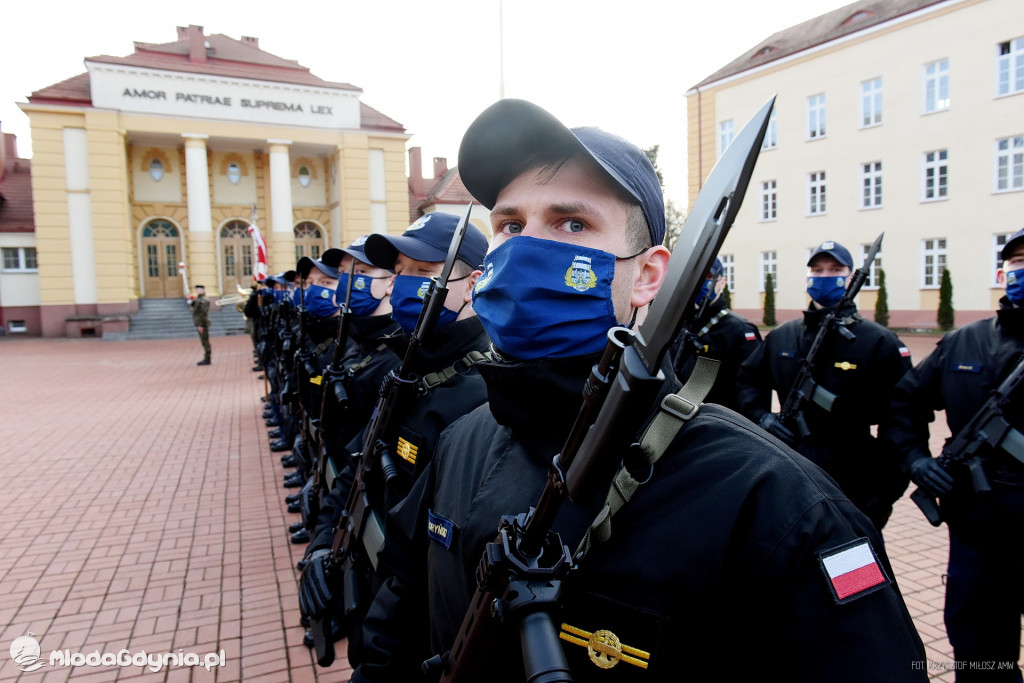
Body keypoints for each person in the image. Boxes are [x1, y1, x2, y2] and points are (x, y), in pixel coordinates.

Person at [351, 99, 926, 682]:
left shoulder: (775, 504)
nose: (526, 249)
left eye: (572, 224)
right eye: (511, 226)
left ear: (648, 275)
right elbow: (399, 610)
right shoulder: (460, 443)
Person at [299, 213, 492, 666]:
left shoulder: (483, 398)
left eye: (423, 271)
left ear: (473, 284)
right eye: (400, 271)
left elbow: (434, 569)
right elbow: (360, 462)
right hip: (370, 587)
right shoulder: (408, 367)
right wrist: (324, 542)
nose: (403, 284)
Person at [886, 227, 1024, 681]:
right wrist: (916, 461)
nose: (1022, 269)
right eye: (1017, 261)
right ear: (1002, 272)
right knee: (980, 652)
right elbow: (904, 403)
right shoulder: (963, 342)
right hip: (977, 531)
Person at [735, 241, 914, 530]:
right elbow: (748, 378)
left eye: (835, 270)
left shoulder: (878, 342)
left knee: (852, 556)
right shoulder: (784, 336)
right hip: (791, 467)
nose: (825, 276)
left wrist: (882, 495)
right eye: (817, 270)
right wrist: (763, 418)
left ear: (850, 277)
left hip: (852, 476)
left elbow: (902, 418)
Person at [670, 258, 761, 411]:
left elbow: (751, 390)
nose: (701, 282)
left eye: (709, 277)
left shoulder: (739, 330)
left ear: (722, 282)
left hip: (718, 419)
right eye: (697, 276)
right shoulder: (679, 324)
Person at [190, 284, 211, 366]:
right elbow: (194, 306)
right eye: (197, 290)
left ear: (203, 290)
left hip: (203, 322)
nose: (198, 291)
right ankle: (207, 357)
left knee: (205, 341)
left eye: (199, 289)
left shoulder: (204, 300)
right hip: (199, 322)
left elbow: (203, 313)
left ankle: (207, 358)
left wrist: (200, 325)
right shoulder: (198, 299)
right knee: (204, 341)